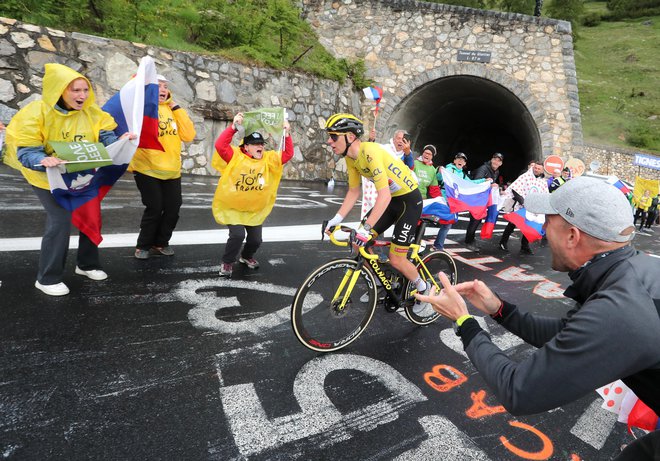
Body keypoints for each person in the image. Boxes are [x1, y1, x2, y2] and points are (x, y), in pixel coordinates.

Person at [415, 176, 659, 427]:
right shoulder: (628, 271)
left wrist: (464, 321)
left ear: (572, 236)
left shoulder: (620, 309)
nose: (541, 229)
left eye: (548, 222)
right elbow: (564, 334)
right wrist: (499, 309)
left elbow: (519, 391)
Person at [3, 63, 135, 296]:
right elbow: (26, 150)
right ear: (59, 90)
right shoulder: (36, 112)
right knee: (61, 219)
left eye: (85, 90)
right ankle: (47, 277)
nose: (82, 95)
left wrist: (119, 140)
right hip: (47, 178)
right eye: (75, 90)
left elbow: (106, 137)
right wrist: (42, 160)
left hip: (80, 174)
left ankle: (87, 264)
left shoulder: (93, 112)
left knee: (91, 214)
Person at [323, 113, 432, 317]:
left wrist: (365, 229)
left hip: (408, 201)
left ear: (350, 137)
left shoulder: (370, 151)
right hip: (391, 200)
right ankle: (379, 281)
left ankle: (424, 287)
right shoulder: (350, 157)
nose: (329, 141)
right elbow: (354, 191)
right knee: (357, 243)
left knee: (397, 259)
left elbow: (383, 195)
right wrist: (335, 219)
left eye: (333, 136)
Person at [213, 112, 294, 277]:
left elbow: (287, 155)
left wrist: (287, 133)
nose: (260, 146)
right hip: (233, 208)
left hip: (254, 209)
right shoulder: (235, 156)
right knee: (237, 235)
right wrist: (233, 127)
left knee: (256, 240)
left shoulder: (268, 159)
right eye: (255, 144)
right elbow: (220, 146)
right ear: (246, 146)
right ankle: (227, 262)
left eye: (262, 144)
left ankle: (246, 256)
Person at [130, 75, 196, 259]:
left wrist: (175, 106)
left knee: (173, 208)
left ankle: (160, 242)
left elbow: (189, 135)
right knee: (154, 206)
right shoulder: (141, 108)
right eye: (158, 86)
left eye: (165, 86)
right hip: (146, 167)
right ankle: (143, 245)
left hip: (171, 170)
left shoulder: (171, 109)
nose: (163, 89)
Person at [433, 152, 488, 250]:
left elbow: (470, 183)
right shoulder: (448, 169)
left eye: (463, 160)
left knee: (447, 224)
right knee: (442, 223)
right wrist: (439, 170)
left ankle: (438, 245)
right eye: (458, 159)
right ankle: (437, 245)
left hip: (454, 202)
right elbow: (438, 178)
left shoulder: (462, 175)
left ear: (464, 164)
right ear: (454, 161)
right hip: (445, 199)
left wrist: (484, 181)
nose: (460, 161)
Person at [498, 161, 548, 254]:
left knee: (529, 225)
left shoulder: (543, 181)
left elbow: (544, 195)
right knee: (512, 224)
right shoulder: (525, 176)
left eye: (538, 169)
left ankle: (524, 246)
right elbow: (515, 189)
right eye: (535, 168)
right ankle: (503, 242)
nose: (536, 170)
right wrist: (523, 202)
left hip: (533, 208)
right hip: (522, 205)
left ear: (542, 170)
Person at [463, 153, 503, 249]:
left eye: (498, 160)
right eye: (495, 159)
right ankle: (468, 242)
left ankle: (470, 238)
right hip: (476, 198)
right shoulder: (484, 168)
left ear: (501, 163)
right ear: (491, 160)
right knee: (475, 219)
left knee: (478, 219)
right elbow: (477, 181)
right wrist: (490, 183)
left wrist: (495, 185)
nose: (496, 162)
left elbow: (491, 183)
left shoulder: (496, 171)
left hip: (483, 198)